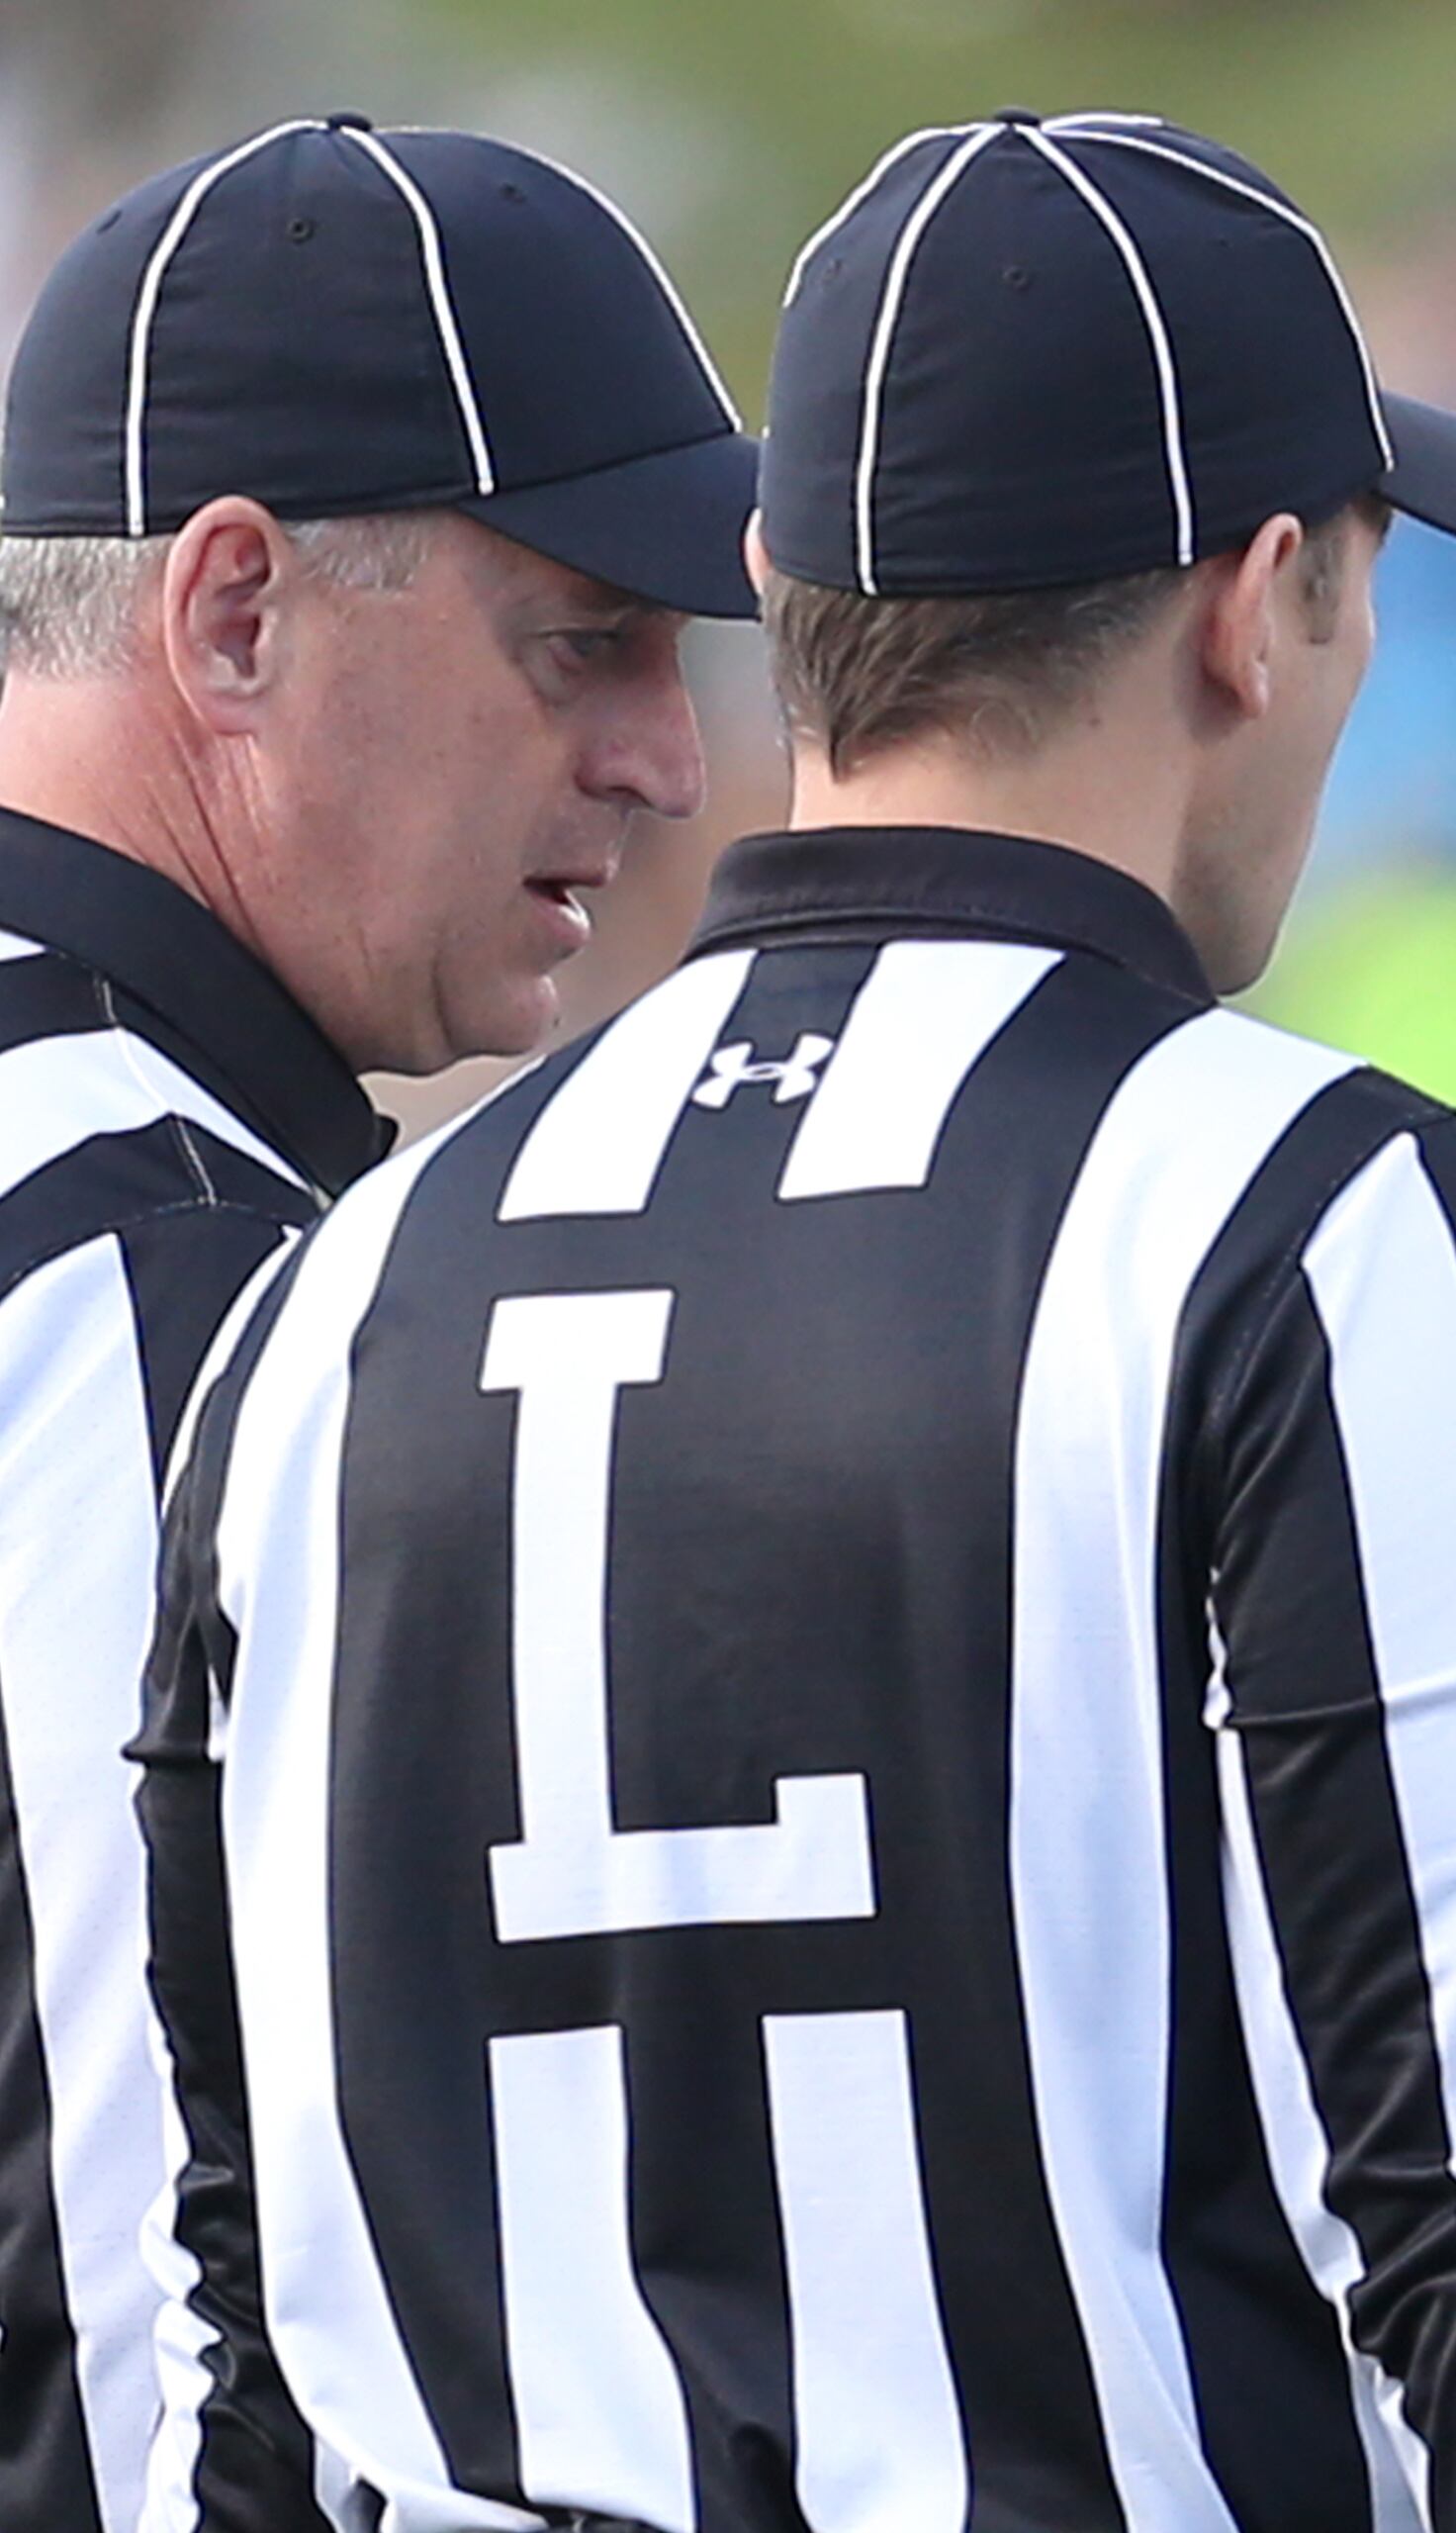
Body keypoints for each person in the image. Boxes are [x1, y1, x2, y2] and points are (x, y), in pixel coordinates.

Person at [134, 111, 1456, 2532]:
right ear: (1262, 599)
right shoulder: (1311, 1207)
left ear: (786, 587)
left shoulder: (329, 1291)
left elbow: (238, 2322)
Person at [0, 116, 749, 2533]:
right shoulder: (141, 1259)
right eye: (585, 637)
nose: (666, 755)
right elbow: (149, 2299)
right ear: (233, 612)